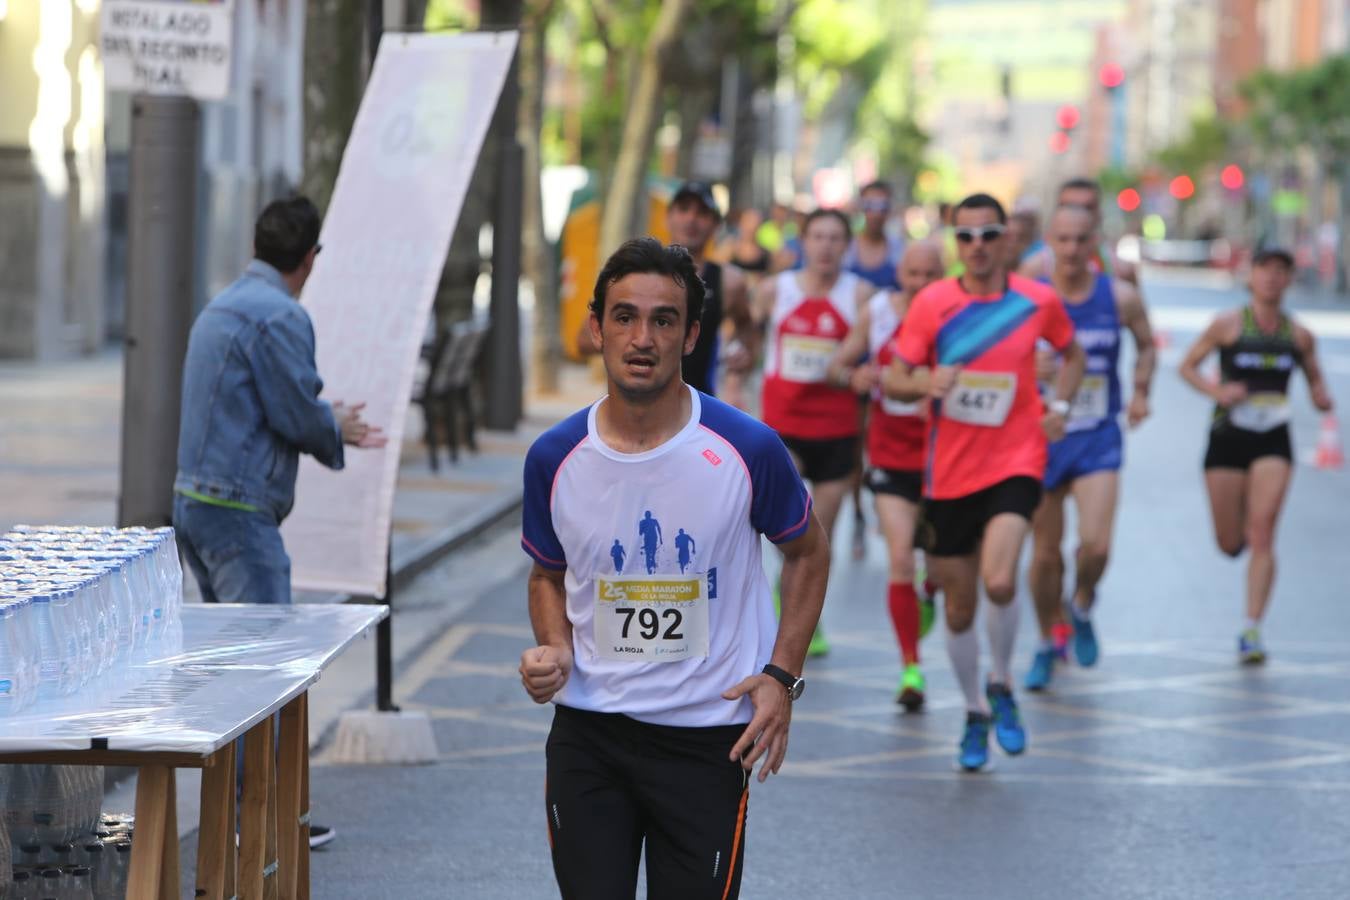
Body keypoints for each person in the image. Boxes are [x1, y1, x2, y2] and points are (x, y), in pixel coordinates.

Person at [520, 237, 830, 900]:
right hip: (590, 739)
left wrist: (782, 678)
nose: (642, 337)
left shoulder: (747, 448)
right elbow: (547, 573)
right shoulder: (554, 456)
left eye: (663, 320)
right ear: (596, 327)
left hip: (706, 742)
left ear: (690, 335)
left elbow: (807, 552)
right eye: (625, 316)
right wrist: (553, 648)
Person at [172, 195, 387, 849]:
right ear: (310, 258)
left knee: (230, 663)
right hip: (239, 512)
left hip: (195, 503)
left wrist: (322, 420)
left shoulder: (225, 303)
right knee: (263, 668)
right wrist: (336, 427)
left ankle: (238, 809)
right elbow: (296, 410)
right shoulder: (279, 316)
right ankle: (257, 816)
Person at [885, 193, 1085, 772]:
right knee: (957, 609)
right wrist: (925, 383)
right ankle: (976, 710)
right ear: (955, 243)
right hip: (948, 474)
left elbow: (1072, 356)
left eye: (988, 235)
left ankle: (1002, 681)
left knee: (1001, 580)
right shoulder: (933, 303)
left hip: (1017, 460)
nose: (976, 247)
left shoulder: (1037, 300)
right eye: (965, 237)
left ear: (1008, 240)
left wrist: (1062, 406)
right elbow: (894, 379)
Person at [1023, 205, 1156, 691]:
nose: (1073, 250)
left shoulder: (1119, 297)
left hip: (1098, 433)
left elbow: (1146, 344)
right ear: (1049, 243)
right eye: (1064, 239)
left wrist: (1141, 391)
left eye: (1082, 240)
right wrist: (1026, 368)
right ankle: (1044, 640)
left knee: (1096, 547)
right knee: (1044, 556)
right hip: (1042, 437)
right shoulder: (1029, 297)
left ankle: (1080, 604)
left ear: (1095, 242)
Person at [1178, 248, 1334, 664]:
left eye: (1281, 272)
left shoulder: (1299, 335)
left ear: (1288, 281)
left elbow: (1317, 383)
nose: (1271, 279)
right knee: (1230, 543)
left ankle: (1252, 628)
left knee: (1263, 531)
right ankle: (1243, 521)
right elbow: (1187, 366)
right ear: (1252, 277)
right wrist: (1218, 392)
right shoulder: (1228, 324)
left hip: (1273, 438)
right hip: (1228, 436)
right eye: (1265, 270)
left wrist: (1320, 398)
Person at [827, 242, 945, 709]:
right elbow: (838, 363)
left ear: (943, 274)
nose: (919, 283)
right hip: (892, 457)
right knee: (900, 559)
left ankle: (931, 592)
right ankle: (910, 668)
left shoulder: (955, 314)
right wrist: (852, 377)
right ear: (900, 272)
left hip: (946, 462)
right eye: (912, 273)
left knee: (939, 573)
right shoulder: (877, 312)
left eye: (929, 274)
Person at [754, 208, 876, 657]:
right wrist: (735, 364)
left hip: (838, 431)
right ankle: (779, 600)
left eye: (834, 238)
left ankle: (809, 617)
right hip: (784, 428)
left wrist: (861, 373)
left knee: (819, 536)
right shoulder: (773, 291)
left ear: (847, 245)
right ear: (802, 242)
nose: (825, 246)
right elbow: (746, 337)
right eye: (817, 236)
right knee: (789, 531)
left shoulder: (861, 295)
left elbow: (874, 352)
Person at [577, 182, 754, 400]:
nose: (691, 219)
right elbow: (584, 340)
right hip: (631, 407)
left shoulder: (729, 282)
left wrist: (739, 360)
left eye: (702, 213)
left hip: (696, 412)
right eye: (683, 209)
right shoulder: (632, 275)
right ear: (668, 217)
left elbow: (747, 328)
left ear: (716, 224)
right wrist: (636, 349)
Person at [1020, 178, 1138, 286]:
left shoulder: (1122, 270)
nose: (1077, 214)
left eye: (1087, 207)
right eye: (1069, 206)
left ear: (1099, 212)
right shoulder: (1034, 270)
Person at [844, 181, 906, 291]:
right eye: (869, 205)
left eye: (882, 206)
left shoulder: (900, 248)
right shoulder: (846, 248)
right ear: (861, 207)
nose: (876, 214)